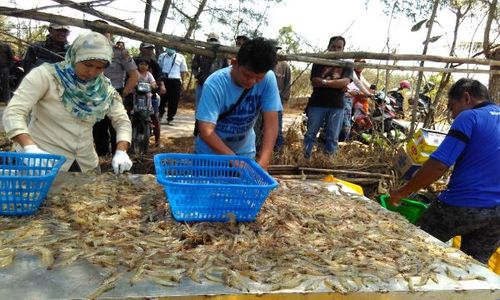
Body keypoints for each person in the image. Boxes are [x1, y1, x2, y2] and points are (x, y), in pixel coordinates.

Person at [389, 78, 500, 265]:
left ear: (466, 98)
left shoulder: (470, 117)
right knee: (474, 267)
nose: (452, 114)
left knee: (415, 250)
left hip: (460, 205)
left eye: (452, 107)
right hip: (496, 214)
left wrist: (402, 192)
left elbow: (439, 165)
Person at [2, 32, 133, 174]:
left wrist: (121, 150)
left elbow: (122, 121)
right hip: (42, 161)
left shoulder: (103, 88)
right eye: (87, 64)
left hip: (85, 163)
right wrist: (29, 147)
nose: (91, 72)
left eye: (99, 68)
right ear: (75, 56)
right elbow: (14, 112)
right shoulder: (46, 76)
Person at [195, 37, 282, 170]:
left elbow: (271, 125)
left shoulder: (268, 78)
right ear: (234, 62)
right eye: (247, 75)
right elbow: (206, 131)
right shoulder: (215, 84)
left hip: (244, 154)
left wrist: (263, 161)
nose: (252, 82)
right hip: (209, 156)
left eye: (259, 78)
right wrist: (234, 160)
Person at [92, 20, 139, 156]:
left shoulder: (120, 52)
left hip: (115, 93)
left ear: (110, 33)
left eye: (103, 32)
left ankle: (118, 155)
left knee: (117, 127)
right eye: (96, 32)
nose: (100, 35)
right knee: (98, 128)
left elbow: (134, 75)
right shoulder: (85, 50)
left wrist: (124, 93)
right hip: (94, 94)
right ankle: (103, 157)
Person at [303, 36, 353, 158]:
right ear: (328, 46)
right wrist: (337, 84)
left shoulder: (347, 64)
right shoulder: (319, 61)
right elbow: (315, 81)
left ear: (343, 49)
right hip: (317, 104)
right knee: (310, 134)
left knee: (332, 137)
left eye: (339, 47)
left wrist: (324, 82)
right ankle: (305, 159)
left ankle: (328, 163)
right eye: (333, 46)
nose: (335, 49)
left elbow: (345, 82)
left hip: (336, 105)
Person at [255, 41, 291, 152]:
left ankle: (278, 151)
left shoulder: (284, 66)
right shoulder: (260, 64)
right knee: (257, 125)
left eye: (276, 50)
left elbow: (287, 83)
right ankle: (257, 148)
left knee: (276, 127)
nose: (274, 52)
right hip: (259, 98)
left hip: (277, 99)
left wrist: (283, 98)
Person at [192, 32, 229, 108]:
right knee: (199, 106)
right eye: (211, 40)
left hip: (217, 85)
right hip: (202, 84)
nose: (213, 42)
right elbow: (194, 67)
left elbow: (226, 70)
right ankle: (198, 120)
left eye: (214, 40)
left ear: (218, 41)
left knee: (213, 107)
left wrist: (222, 81)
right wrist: (199, 76)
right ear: (207, 40)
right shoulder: (201, 53)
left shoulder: (222, 55)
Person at [340, 58, 373, 141]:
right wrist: (368, 93)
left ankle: (352, 136)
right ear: (354, 64)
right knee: (346, 121)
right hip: (347, 97)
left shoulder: (360, 74)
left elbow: (366, 84)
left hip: (355, 99)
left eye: (363, 64)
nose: (360, 66)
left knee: (355, 117)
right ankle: (346, 140)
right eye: (358, 63)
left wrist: (374, 90)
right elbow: (358, 83)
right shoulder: (352, 72)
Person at [134, 57, 161, 147]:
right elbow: (132, 81)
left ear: (148, 66)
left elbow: (153, 83)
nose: (143, 66)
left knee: (155, 117)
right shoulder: (135, 73)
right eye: (141, 64)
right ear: (138, 65)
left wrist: (154, 85)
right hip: (135, 96)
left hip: (149, 97)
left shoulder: (149, 74)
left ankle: (157, 141)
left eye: (145, 64)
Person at [158, 48, 188, 125]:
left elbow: (183, 70)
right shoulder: (162, 56)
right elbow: (159, 69)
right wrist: (160, 82)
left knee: (174, 101)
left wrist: (183, 82)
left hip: (176, 80)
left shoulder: (180, 57)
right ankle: (160, 115)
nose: (170, 49)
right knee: (162, 99)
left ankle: (170, 118)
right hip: (164, 80)